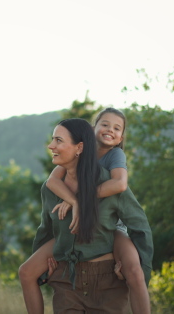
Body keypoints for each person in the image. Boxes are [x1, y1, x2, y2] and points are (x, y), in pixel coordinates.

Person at [18, 108, 151, 313]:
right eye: (104, 125)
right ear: (92, 129)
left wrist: (80, 199)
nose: (109, 130)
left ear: (79, 146)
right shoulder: (60, 176)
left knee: (134, 271)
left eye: (59, 141)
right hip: (69, 254)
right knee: (26, 271)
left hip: (115, 229)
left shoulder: (113, 162)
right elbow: (48, 214)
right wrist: (71, 199)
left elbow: (122, 187)